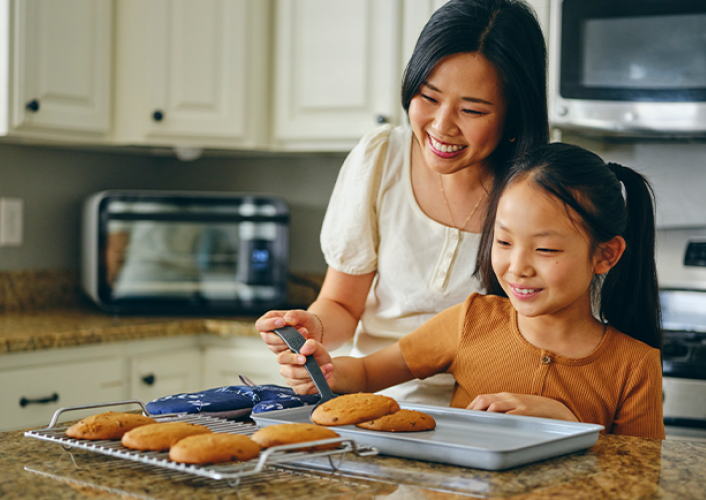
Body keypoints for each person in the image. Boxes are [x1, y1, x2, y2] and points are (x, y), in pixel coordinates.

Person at [256, 0, 549, 405]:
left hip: (487, 412)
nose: (442, 126)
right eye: (428, 98)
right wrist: (313, 327)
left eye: (471, 110)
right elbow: (342, 303)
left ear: (514, 116)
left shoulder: (541, 190)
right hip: (371, 396)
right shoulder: (381, 158)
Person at [275, 143, 665, 439]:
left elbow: (642, 479)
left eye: (546, 249)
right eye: (504, 242)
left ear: (606, 255)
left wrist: (570, 426)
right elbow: (364, 373)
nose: (518, 267)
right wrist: (320, 371)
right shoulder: (471, 321)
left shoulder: (634, 365)